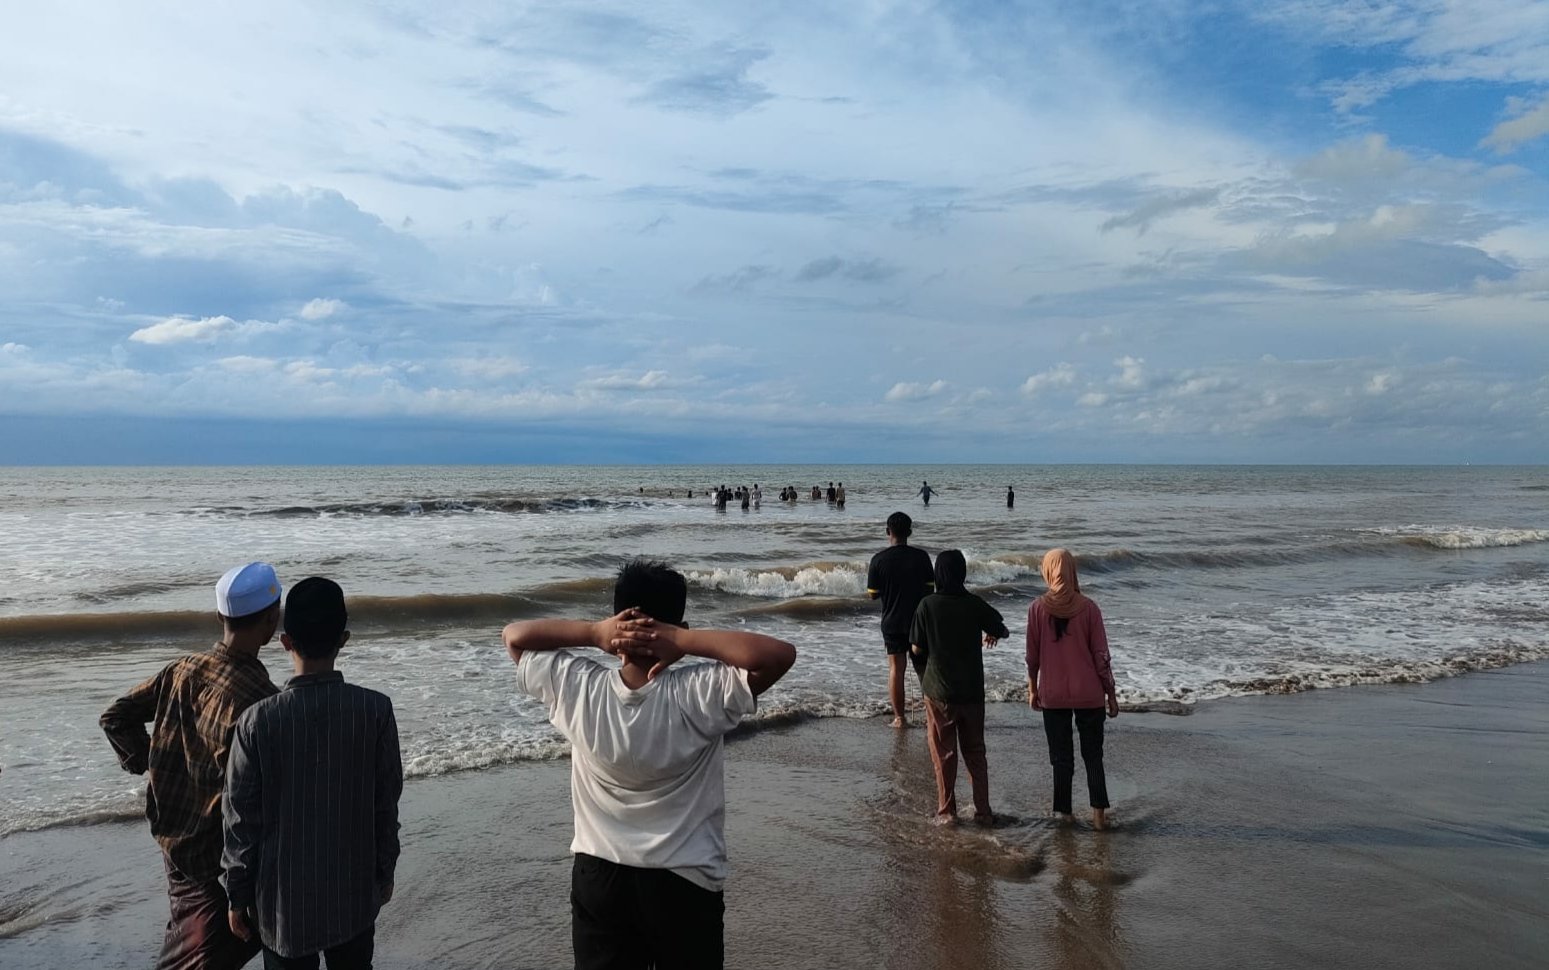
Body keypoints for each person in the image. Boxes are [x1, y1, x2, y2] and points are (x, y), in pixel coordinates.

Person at [504, 560, 796, 970]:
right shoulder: (700, 692)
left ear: (616, 619)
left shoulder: (578, 685)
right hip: (684, 878)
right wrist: (685, 640)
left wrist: (592, 633)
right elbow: (778, 655)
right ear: (678, 624)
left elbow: (515, 637)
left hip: (599, 873)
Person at [100, 562, 283, 970]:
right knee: (211, 950)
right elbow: (257, 801)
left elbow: (115, 717)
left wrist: (153, 766)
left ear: (220, 617)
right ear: (273, 621)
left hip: (169, 834)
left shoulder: (181, 670)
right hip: (216, 856)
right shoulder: (263, 703)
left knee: (193, 935)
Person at [223, 577, 403, 969]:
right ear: (343, 639)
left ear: (286, 642)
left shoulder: (257, 722)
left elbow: (241, 820)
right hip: (353, 893)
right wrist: (385, 868)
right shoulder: (375, 711)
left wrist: (237, 894)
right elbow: (385, 803)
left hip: (283, 907)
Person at [910, 550, 1009, 826]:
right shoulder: (973, 604)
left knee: (944, 753)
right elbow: (1002, 627)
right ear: (963, 574)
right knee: (975, 752)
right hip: (972, 692)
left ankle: (947, 811)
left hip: (939, 691)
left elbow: (917, 648)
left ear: (937, 574)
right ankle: (983, 811)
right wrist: (991, 633)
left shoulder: (927, 606)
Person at [1026, 549, 1119, 830]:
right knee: (1093, 756)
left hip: (1053, 695)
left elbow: (1033, 658)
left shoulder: (1037, 609)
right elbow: (1101, 657)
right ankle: (1099, 817)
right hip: (1089, 695)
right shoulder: (1089, 608)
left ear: (1048, 571)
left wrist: (1032, 689)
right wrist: (1111, 694)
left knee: (1061, 758)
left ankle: (1064, 814)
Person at [865, 512, 935, 728]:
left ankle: (900, 718)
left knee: (896, 669)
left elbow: (873, 594)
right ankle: (933, 717)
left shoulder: (878, 560)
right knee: (924, 670)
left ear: (888, 532)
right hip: (919, 623)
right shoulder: (921, 557)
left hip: (892, 622)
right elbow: (930, 590)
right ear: (910, 532)